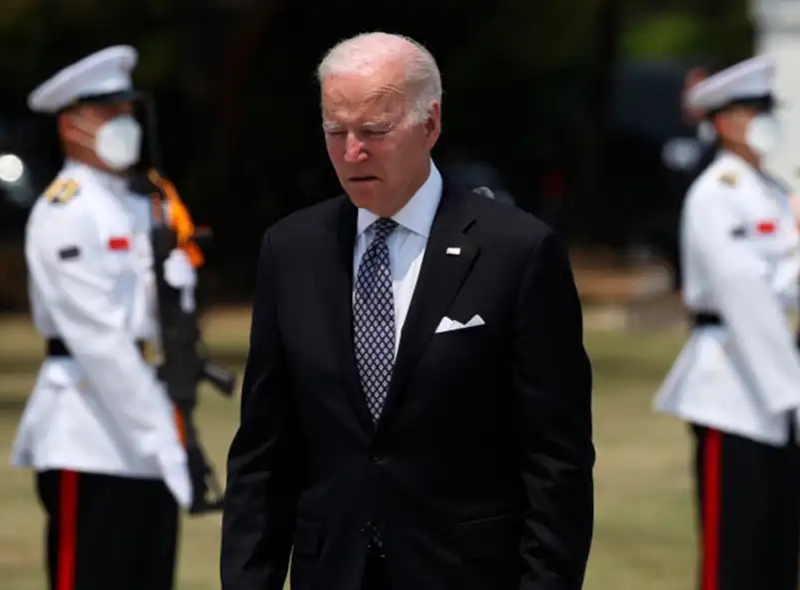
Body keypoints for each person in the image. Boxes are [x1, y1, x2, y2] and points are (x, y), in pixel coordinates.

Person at [220, 32, 595, 590]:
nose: (352, 152)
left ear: (431, 123)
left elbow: (556, 460)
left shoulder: (516, 252)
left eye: (374, 131)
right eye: (335, 131)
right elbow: (263, 453)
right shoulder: (292, 249)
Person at [653, 54, 800, 590]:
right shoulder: (717, 195)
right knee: (733, 562)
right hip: (733, 390)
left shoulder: (774, 190)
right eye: (750, 109)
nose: (765, 119)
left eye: (767, 108)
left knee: (778, 557)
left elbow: (787, 285)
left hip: (781, 381)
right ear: (720, 122)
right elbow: (746, 302)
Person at [9, 45, 200, 590]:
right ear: (72, 125)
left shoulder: (145, 203)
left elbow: (168, 317)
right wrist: (162, 437)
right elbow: (100, 341)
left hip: (151, 420)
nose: (125, 125)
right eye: (109, 113)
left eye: (128, 112)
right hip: (88, 431)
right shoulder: (63, 212)